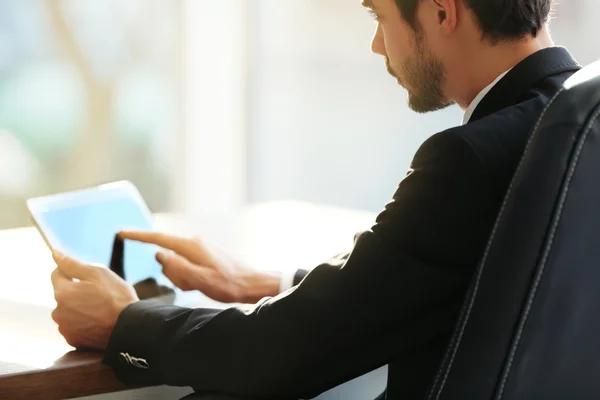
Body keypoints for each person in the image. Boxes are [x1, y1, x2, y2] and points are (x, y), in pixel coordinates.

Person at [49, 0, 581, 399]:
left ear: (442, 12)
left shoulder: (468, 160)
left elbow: (282, 353)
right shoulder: (574, 120)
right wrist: (258, 284)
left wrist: (123, 322)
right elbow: (429, 285)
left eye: (379, 16)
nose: (377, 45)